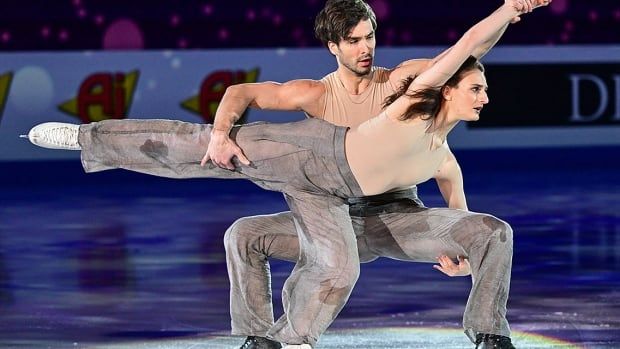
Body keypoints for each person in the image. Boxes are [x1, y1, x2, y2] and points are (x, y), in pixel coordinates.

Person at [25, 2, 549, 349]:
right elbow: (466, 49)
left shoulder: (414, 105)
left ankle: (280, 341)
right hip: (313, 161)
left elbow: (455, 190)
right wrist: (221, 133)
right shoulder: (381, 95)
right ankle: (86, 138)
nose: (366, 47)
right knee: (198, 151)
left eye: (371, 36)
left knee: (330, 261)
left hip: (375, 211)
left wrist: (459, 250)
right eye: (354, 40)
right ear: (335, 47)